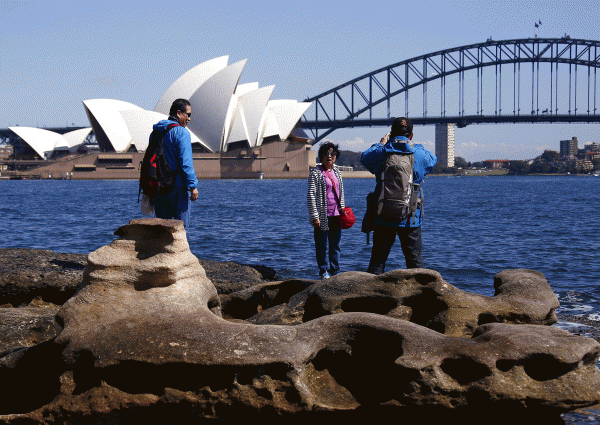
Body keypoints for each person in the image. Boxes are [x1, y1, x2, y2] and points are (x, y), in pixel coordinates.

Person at [360, 117, 437, 274]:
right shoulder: (419, 153)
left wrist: (381, 143)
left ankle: (369, 296)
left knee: (377, 262)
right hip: (410, 216)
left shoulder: (382, 152)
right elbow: (432, 161)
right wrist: (415, 145)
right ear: (411, 135)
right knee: (415, 261)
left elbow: (365, 157)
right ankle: (420, 296)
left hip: (383, 214)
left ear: (391, 133)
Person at [152, 98, 199, 229]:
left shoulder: (156, 131)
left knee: (162, 229)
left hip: (158, 187)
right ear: (179, 113)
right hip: (177, 187)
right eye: (188, 114)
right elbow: (186, 162)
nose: (189, 118)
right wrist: (193, 186)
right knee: (180, 229)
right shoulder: (181, 132)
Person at [307, 142, 346, 279]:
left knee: (335, 245)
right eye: (326, 154)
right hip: (323, 215)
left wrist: (343, 210)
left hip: (336, 214)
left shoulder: (337, 172)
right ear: (321, 156)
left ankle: (335, 270)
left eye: (332, 154)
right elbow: (311, 195)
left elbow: (340, 192)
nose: (329, 156)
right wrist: (314, 216)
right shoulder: (316, 173)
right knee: (321, 245)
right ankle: (323, 271)